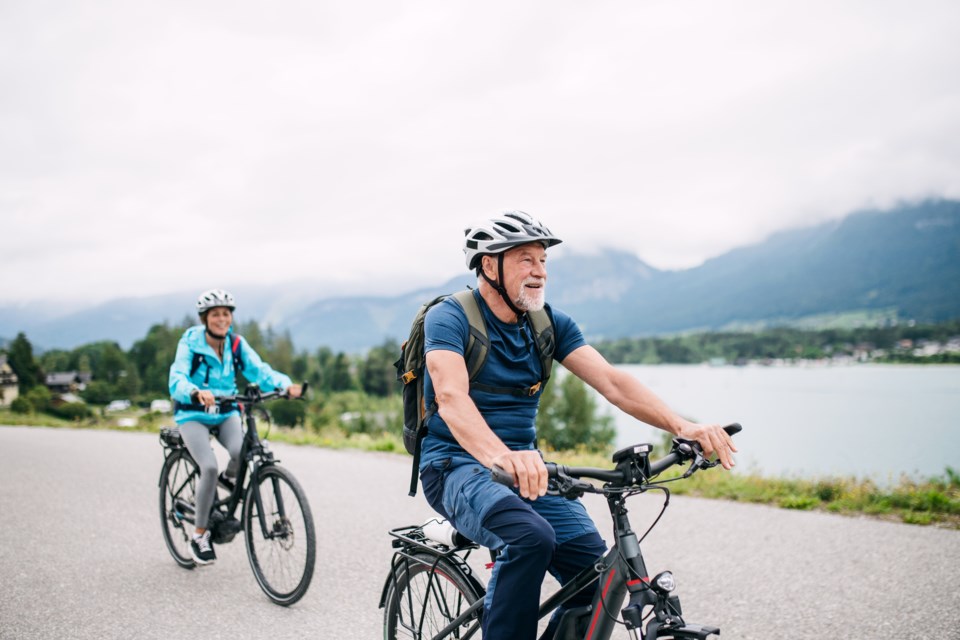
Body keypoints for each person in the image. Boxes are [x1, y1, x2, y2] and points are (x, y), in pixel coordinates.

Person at [418, 211, 737, 640]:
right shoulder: (451, 317)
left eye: (543, 261)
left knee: (595, 574)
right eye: (526, 260)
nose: (539, 272)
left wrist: (684, 426)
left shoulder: (549, 324)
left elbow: (613, 382)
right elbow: (451, 397)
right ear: (489, 266)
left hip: (528, 470)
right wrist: (501, 456)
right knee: (530, 538)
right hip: (455, 466)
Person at [168, 288, 302, 566]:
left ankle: (227, 482)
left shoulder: (235, 344)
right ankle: (200, 536)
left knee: (245, 452)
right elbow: (177, 376)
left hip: (226, 411)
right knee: (208, 466)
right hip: (193, 413)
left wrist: (284, 385)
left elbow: (260, 371)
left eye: (226, 314)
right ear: (205, 318)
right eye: (215, 314)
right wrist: (194, 392)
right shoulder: (191, 343)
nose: (221, 319)